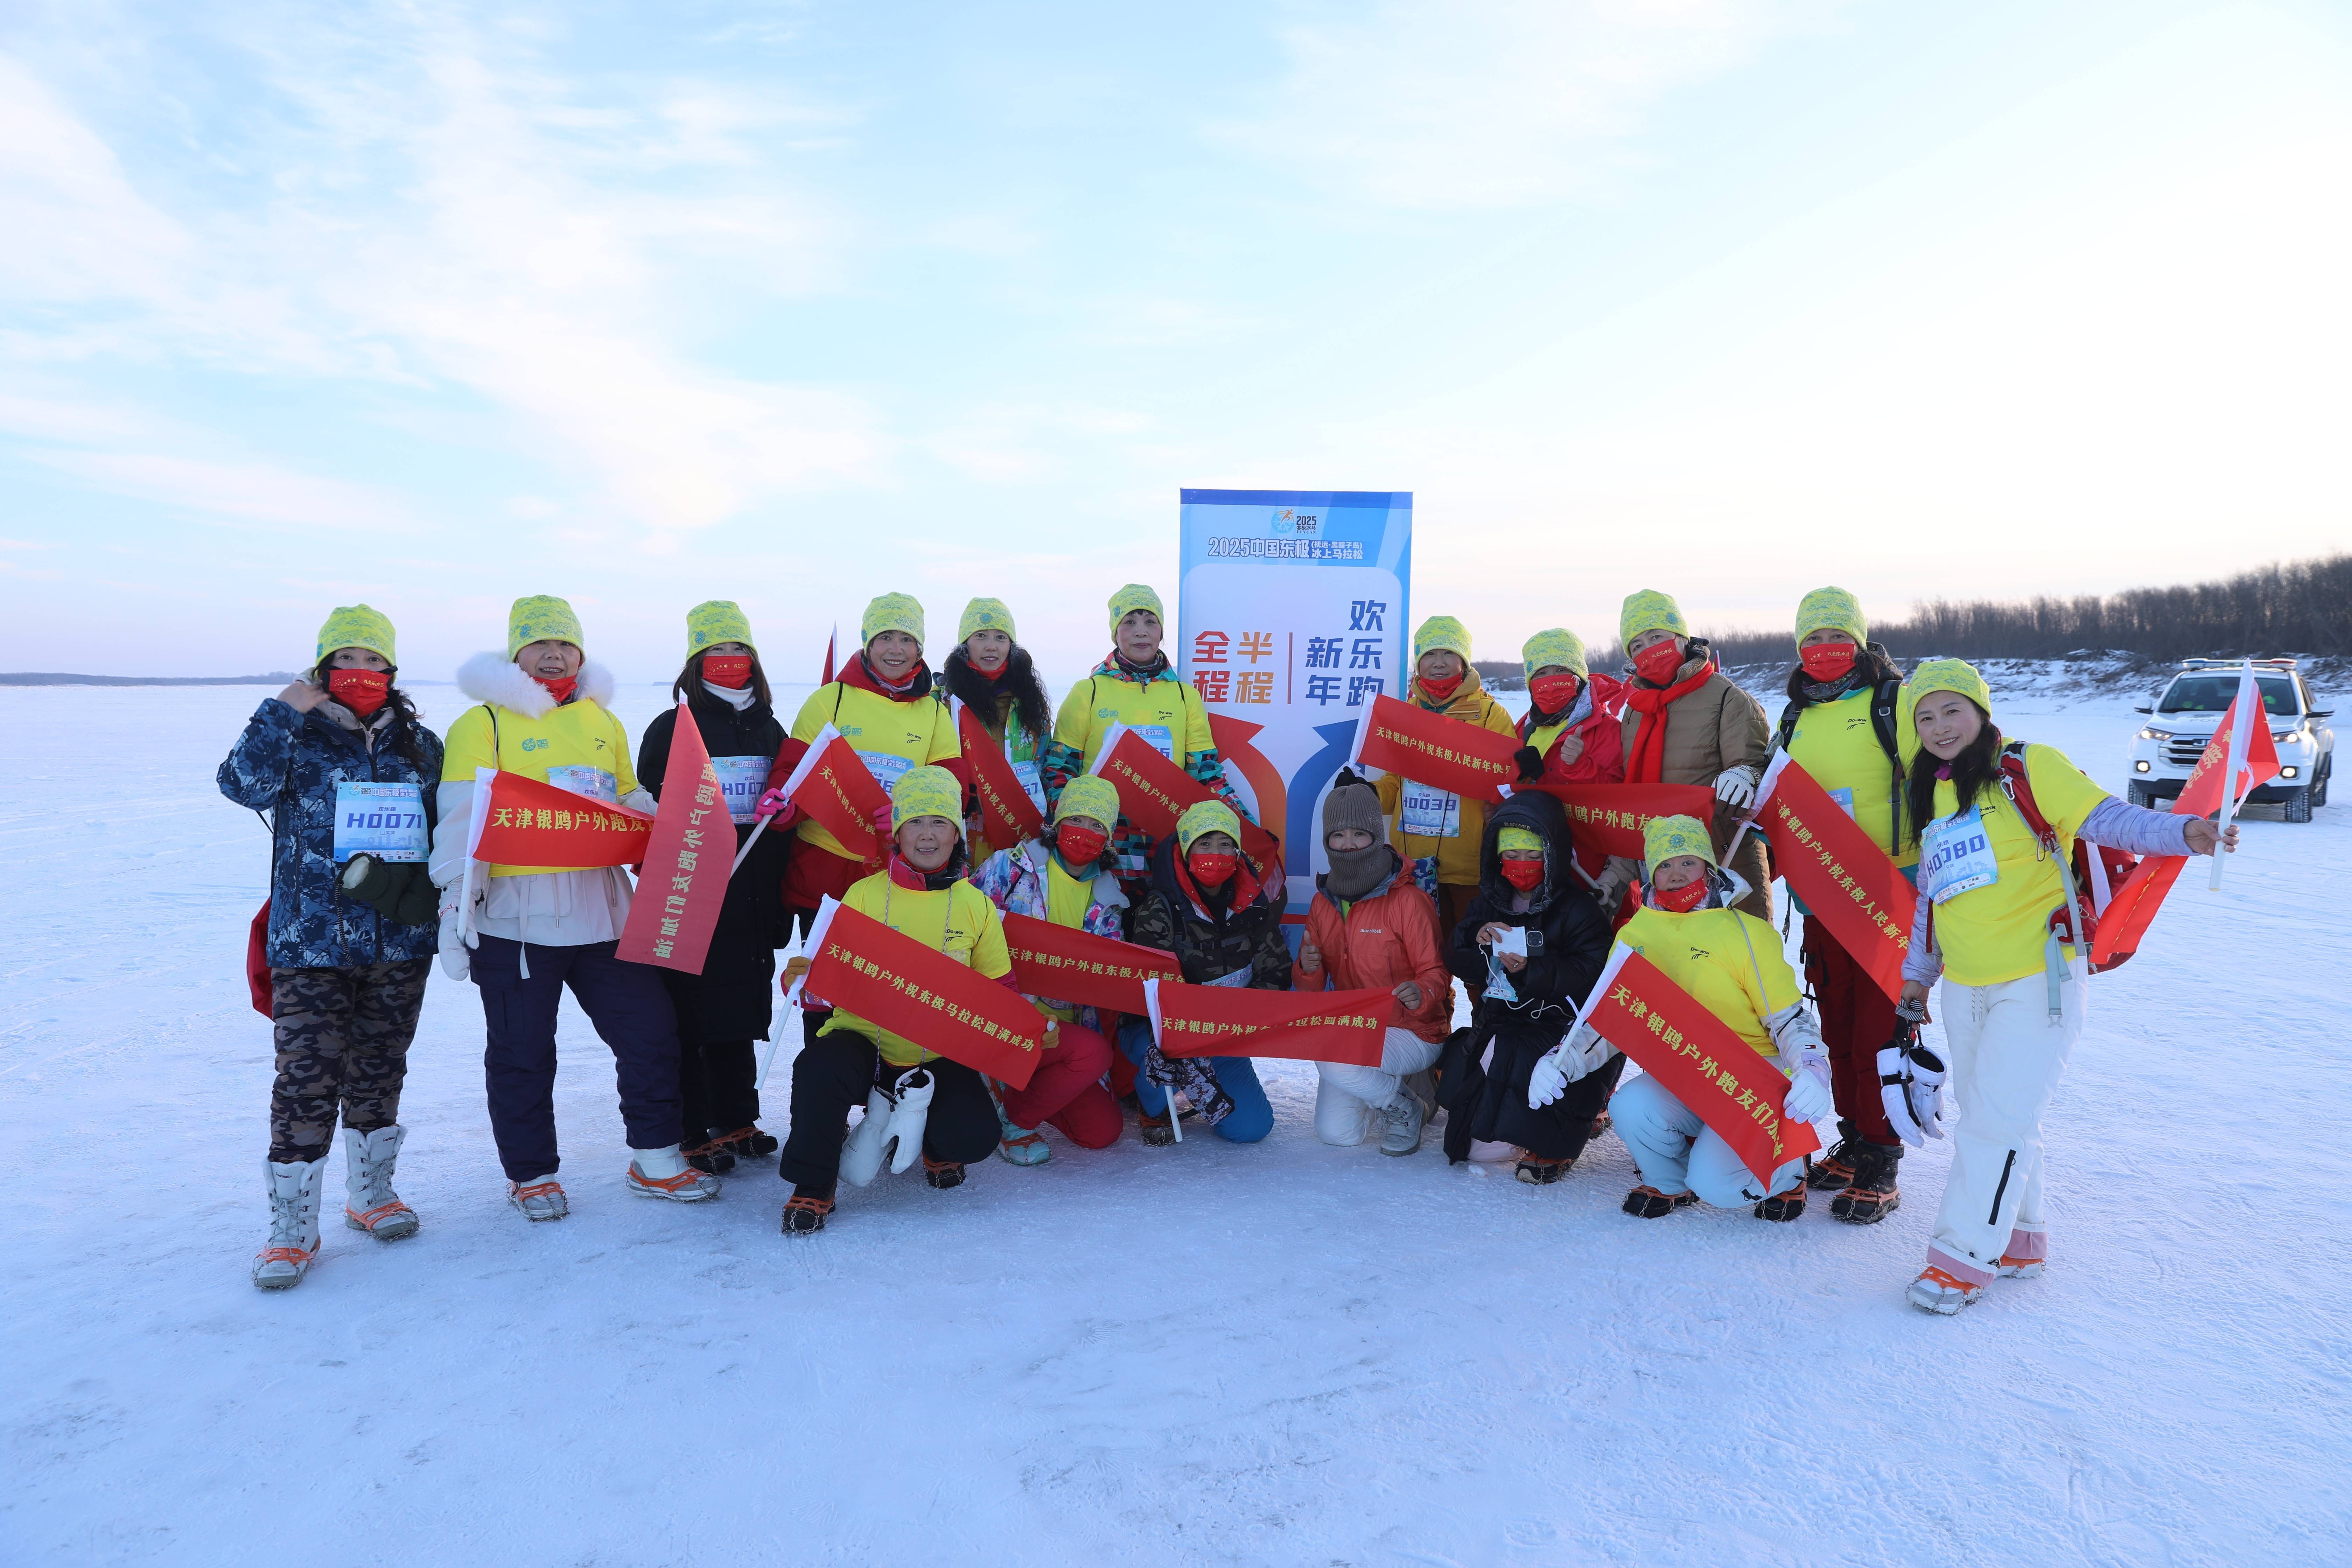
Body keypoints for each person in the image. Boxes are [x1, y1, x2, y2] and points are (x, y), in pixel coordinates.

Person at [1893, 661, 2235, 1314]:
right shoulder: (1930, 792)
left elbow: (2111, 820)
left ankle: (1963, 1259)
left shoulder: (2029, 767)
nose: (1939, 727)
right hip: (1964, 987)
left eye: (1951, 711)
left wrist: (2186, 832)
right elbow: (1931, 901)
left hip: (2039, 978)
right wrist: (1918, 978)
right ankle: (2022, 1238)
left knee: (1997, 1121)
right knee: (1995, 1115)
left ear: (1980, 713)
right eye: (1925, 717)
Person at [430, 595, 718, 1220]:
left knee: (649, 1035)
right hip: (517, 919)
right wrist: (455, 909)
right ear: (516, 654)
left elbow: (626, 794)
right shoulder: (484, 723)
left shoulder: (601, 722)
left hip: (604, 911)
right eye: (538, 643)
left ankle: (657, 1155)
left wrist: (666, 822)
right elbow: (459, 821)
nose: (553, 652)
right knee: (523, 1052)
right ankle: (531, 1173)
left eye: (565, 643)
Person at [218, 605, 443, 1289]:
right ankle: (293, 1229)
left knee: (380, 1069)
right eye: (346, 660)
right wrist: (285, 707)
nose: (362, 673)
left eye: (375, 661)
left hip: (400, 940)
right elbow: (239, 784)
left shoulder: (420, 745)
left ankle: (371, 1195)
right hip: (310, 941)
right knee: (306, 1082)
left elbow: (450, 824)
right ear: (322, 669)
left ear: (392, 671)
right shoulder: (294, 740)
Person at [1537, 816, 1836, 1219]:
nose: (1675, 874)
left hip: (1751, 1073)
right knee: (1630, 1105)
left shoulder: (1746, 933)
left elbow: (1788, 1020)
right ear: (1651, 874)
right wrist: (1560, 1061)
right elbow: (1612, 1018)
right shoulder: (1634, 935)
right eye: (1664, 865)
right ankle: (1671, 1182)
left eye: (1687, 862)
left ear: (1709, 868)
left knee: (1718, 1186)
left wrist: (1813, 1068)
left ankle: (1788, 1171)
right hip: (1685, 1068)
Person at [776, 766, 1013, 1233]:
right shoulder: (862, 896)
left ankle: (933, 1144)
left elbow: (997, 993)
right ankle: (813, 1183)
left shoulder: (976, 905)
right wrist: (799, 979)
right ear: (898, 833)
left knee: (975, 1135)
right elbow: (817, 989)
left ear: (958, 835)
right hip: (865, 1039)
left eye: (940, 822)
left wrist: (1026, 1033)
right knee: (816, 1070)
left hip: (939, 1051)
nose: (927, 835)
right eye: (915, 823)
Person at [1770, 588, 1919, 1223]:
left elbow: (1943, 768)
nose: (1825, 650)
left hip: (1886, 897)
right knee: (1835, 1027)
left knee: (1879, 1031)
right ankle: (1856, 1138)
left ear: (1859, 643)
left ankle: (1883, 1157)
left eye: (1838, 637)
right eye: (1813, 639)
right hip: (1821, 901)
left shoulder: (1895, 705)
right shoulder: (1793, 717)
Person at [637, 601, 790, 1175]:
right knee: (693, 1010)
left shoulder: (769, 726)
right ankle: (690, 1126)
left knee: (742, 1003)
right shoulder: (672, 725)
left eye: (738, 650)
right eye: (717, 651)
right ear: (696, 661)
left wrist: (786, 812)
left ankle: (738, 1115)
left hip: (755, 885)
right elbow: (652, 799)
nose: (729, 661)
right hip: (695, 888)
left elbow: (783, 798)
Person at [1039, 584, 1259, 903]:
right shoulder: (1087, 692)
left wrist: (1246, 828)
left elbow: (1207, 774)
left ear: (1161, 632)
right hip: (1098, 849)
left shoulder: (1185, 696)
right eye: (1130, 622)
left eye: (1150, 622)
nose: (1140, 632)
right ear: (1116, 633)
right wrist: (1074, 834)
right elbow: (1059, 771)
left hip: (1165, 847)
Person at [1437, 791, 1617, 1181]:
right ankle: (1513, 1123)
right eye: (1512, 854)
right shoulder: (1488, 903)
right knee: (1469, 1148)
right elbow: (1454, 957)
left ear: (1552, 855)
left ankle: (1563, 1133)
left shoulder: (1578, 908)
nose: (1521, 865)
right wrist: (1475, 937)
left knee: (1513, 1124)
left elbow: (1594, 971)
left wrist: (1529, 971)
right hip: (1500, 1025)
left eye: (1532, 854)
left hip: (1558, 1032)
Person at [777, 593, 965, 950]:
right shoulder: (829, 699)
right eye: (885, 638)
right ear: (868, 644)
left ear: (919, 649)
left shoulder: (934, 713)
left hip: (897, 871)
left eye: (907, 639)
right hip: (824, 871)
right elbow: (792, 774)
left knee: (888, 986)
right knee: (822, 991)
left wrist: (907, 809)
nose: (896, 649)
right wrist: (783, 804)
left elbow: (953, 790)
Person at [969, 774, 1128, 1162]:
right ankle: (1015, 1120)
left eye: (1097, 826)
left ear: (1108, 838)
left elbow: (1107, 978)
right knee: (1093, 1054)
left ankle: (1013, 1097)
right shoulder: (1010, 868)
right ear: (1057, 823)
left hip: (1062, 1031)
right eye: (1076, 820)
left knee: (1101, 1132)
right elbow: (962, 922)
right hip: (1005, 1018)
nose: (1084, 832)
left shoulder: (1110, 901)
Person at [1294, 769, 1451, 1155]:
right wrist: (1309, 969)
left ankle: (1406, 1107)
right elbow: (1311, 990)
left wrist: (1423, 992)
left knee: (1334, 1060)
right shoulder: (1322, 902)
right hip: (1357, 1029)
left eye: (1358, 834)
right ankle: (1391, 1090)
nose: (1348, 845)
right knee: (1337, 1133)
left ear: (1376, 837)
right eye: (1338, 836)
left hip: (1413, 1029)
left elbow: (1437, 972)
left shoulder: (1408, 900)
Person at [1119, 800, 1284, 1146]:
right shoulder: (1160, 906)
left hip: (1225, 1034)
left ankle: (1202, 1086)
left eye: (1225, 844)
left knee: (1251, 1128)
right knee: (1156, 1059)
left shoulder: (1254, 903)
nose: (1216, 853)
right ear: (1185, 848)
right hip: (1163, 1033)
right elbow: (1151, 989)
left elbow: (1276, 968)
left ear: (1238, 852)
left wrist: (1243, 1019)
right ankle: (1152, 1102)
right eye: (1204, 843)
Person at [1602, 590, 1773, 920]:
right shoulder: (1634, 713)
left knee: (1739, 961)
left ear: (1682, 638)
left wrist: (1745, 775)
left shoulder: (1728, 698)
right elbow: (1635, 802)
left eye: (1657, 637)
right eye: (1637, 646)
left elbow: (1761, 768)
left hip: (1726, 861)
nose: (1649, 650)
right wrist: (1613, 879)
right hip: (1663, 870)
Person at [1373, 616, 1519, 989]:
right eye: (1430, 654)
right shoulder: (1404, 714)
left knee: (1476, 962)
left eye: (1448, 653)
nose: (1438, 662)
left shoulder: (1491, 715)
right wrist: (1367, 794)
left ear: (1464, 662)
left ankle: (1480, 1035)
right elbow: (1395, 782)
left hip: (1470, 869)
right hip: (1413, 867)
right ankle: (1431, 1035)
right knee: (1422, 966)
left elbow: (1505, 786)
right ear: (1418, 662)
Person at [941, 596, 1054, 867]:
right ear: (965, 644)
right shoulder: (944, 702)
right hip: (964, 831)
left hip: (1021, 828)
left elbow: (1047, 761)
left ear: (1011, 646)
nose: (991, 646)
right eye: (981, 636)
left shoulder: (1029, 702)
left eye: (1001, 638)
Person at [1511, 628, 1625, 789]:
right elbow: (1506, 785)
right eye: (1541, 673)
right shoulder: (1524, 727)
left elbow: (1615, 797)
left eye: (1561, 670)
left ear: (1580, 678)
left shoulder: (1606, 729)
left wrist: (1580, 766)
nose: (1551, 681)